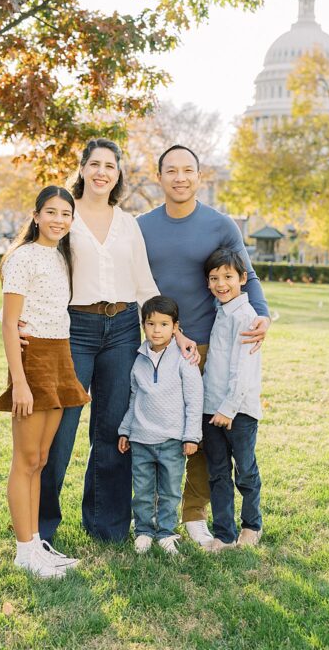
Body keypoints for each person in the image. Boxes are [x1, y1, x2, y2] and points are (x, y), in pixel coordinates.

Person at [39, 138, 181, 544]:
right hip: (75, 328)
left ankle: (106, 524)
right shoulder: (65, 214)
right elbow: (40, 267)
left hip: (121, 328)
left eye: (110, 166)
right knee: (60, 428)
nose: (102, 172)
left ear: (118, 174)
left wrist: (175, 330)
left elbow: (144, 284)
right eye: (95, 164)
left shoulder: (127, 222)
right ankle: (43, 524)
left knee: (114, 428)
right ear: (82, 168)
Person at [138, 145, 271, 547]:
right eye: (171, 171)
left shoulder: (220, 224)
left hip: (205, 348)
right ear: (158, 177)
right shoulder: (140, 226)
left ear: (200, 176)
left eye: (188, 171)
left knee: (197, 434)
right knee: (152, 432)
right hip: (155, 346)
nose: (180, 177)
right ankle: (147, 516)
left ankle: (194, 515)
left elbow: (249, 276)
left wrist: (262, 315)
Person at [0, 186, 90, 578]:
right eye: (51, 212)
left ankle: (36, 545)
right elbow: (9, 321)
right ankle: (23, 552)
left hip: (60, 356)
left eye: (66, 214)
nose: (58, 220)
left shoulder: (60, 258)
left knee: (42, 459)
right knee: (25, 459)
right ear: (35, 216)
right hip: (32, 364)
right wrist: (19, 381)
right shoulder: (22, 258)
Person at [118, 295, 204, 555]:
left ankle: (166, 532)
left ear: (175, 327)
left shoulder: (184, 359)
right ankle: (144, 531)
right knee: (142, 490)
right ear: (143, 325)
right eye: (151, 323)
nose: (157, 330)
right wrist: (125, 429)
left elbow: (194, 399)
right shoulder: (138, 359)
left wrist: (192, 436)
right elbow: (134, 399)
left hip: (172, 441)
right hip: (142, 440)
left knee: (169, 491)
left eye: (164, 324)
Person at [199, 248, 264, 550]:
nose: (220, 284)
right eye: (214, 278)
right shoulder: (220, 310)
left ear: (242, 279)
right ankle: (223, 533)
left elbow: (244, 369)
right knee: (218, 473)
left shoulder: (246, 317)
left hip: (239, 412)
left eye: (228, 277)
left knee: (245, 471)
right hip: (211, 410)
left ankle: (252, 525)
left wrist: (229, 409)